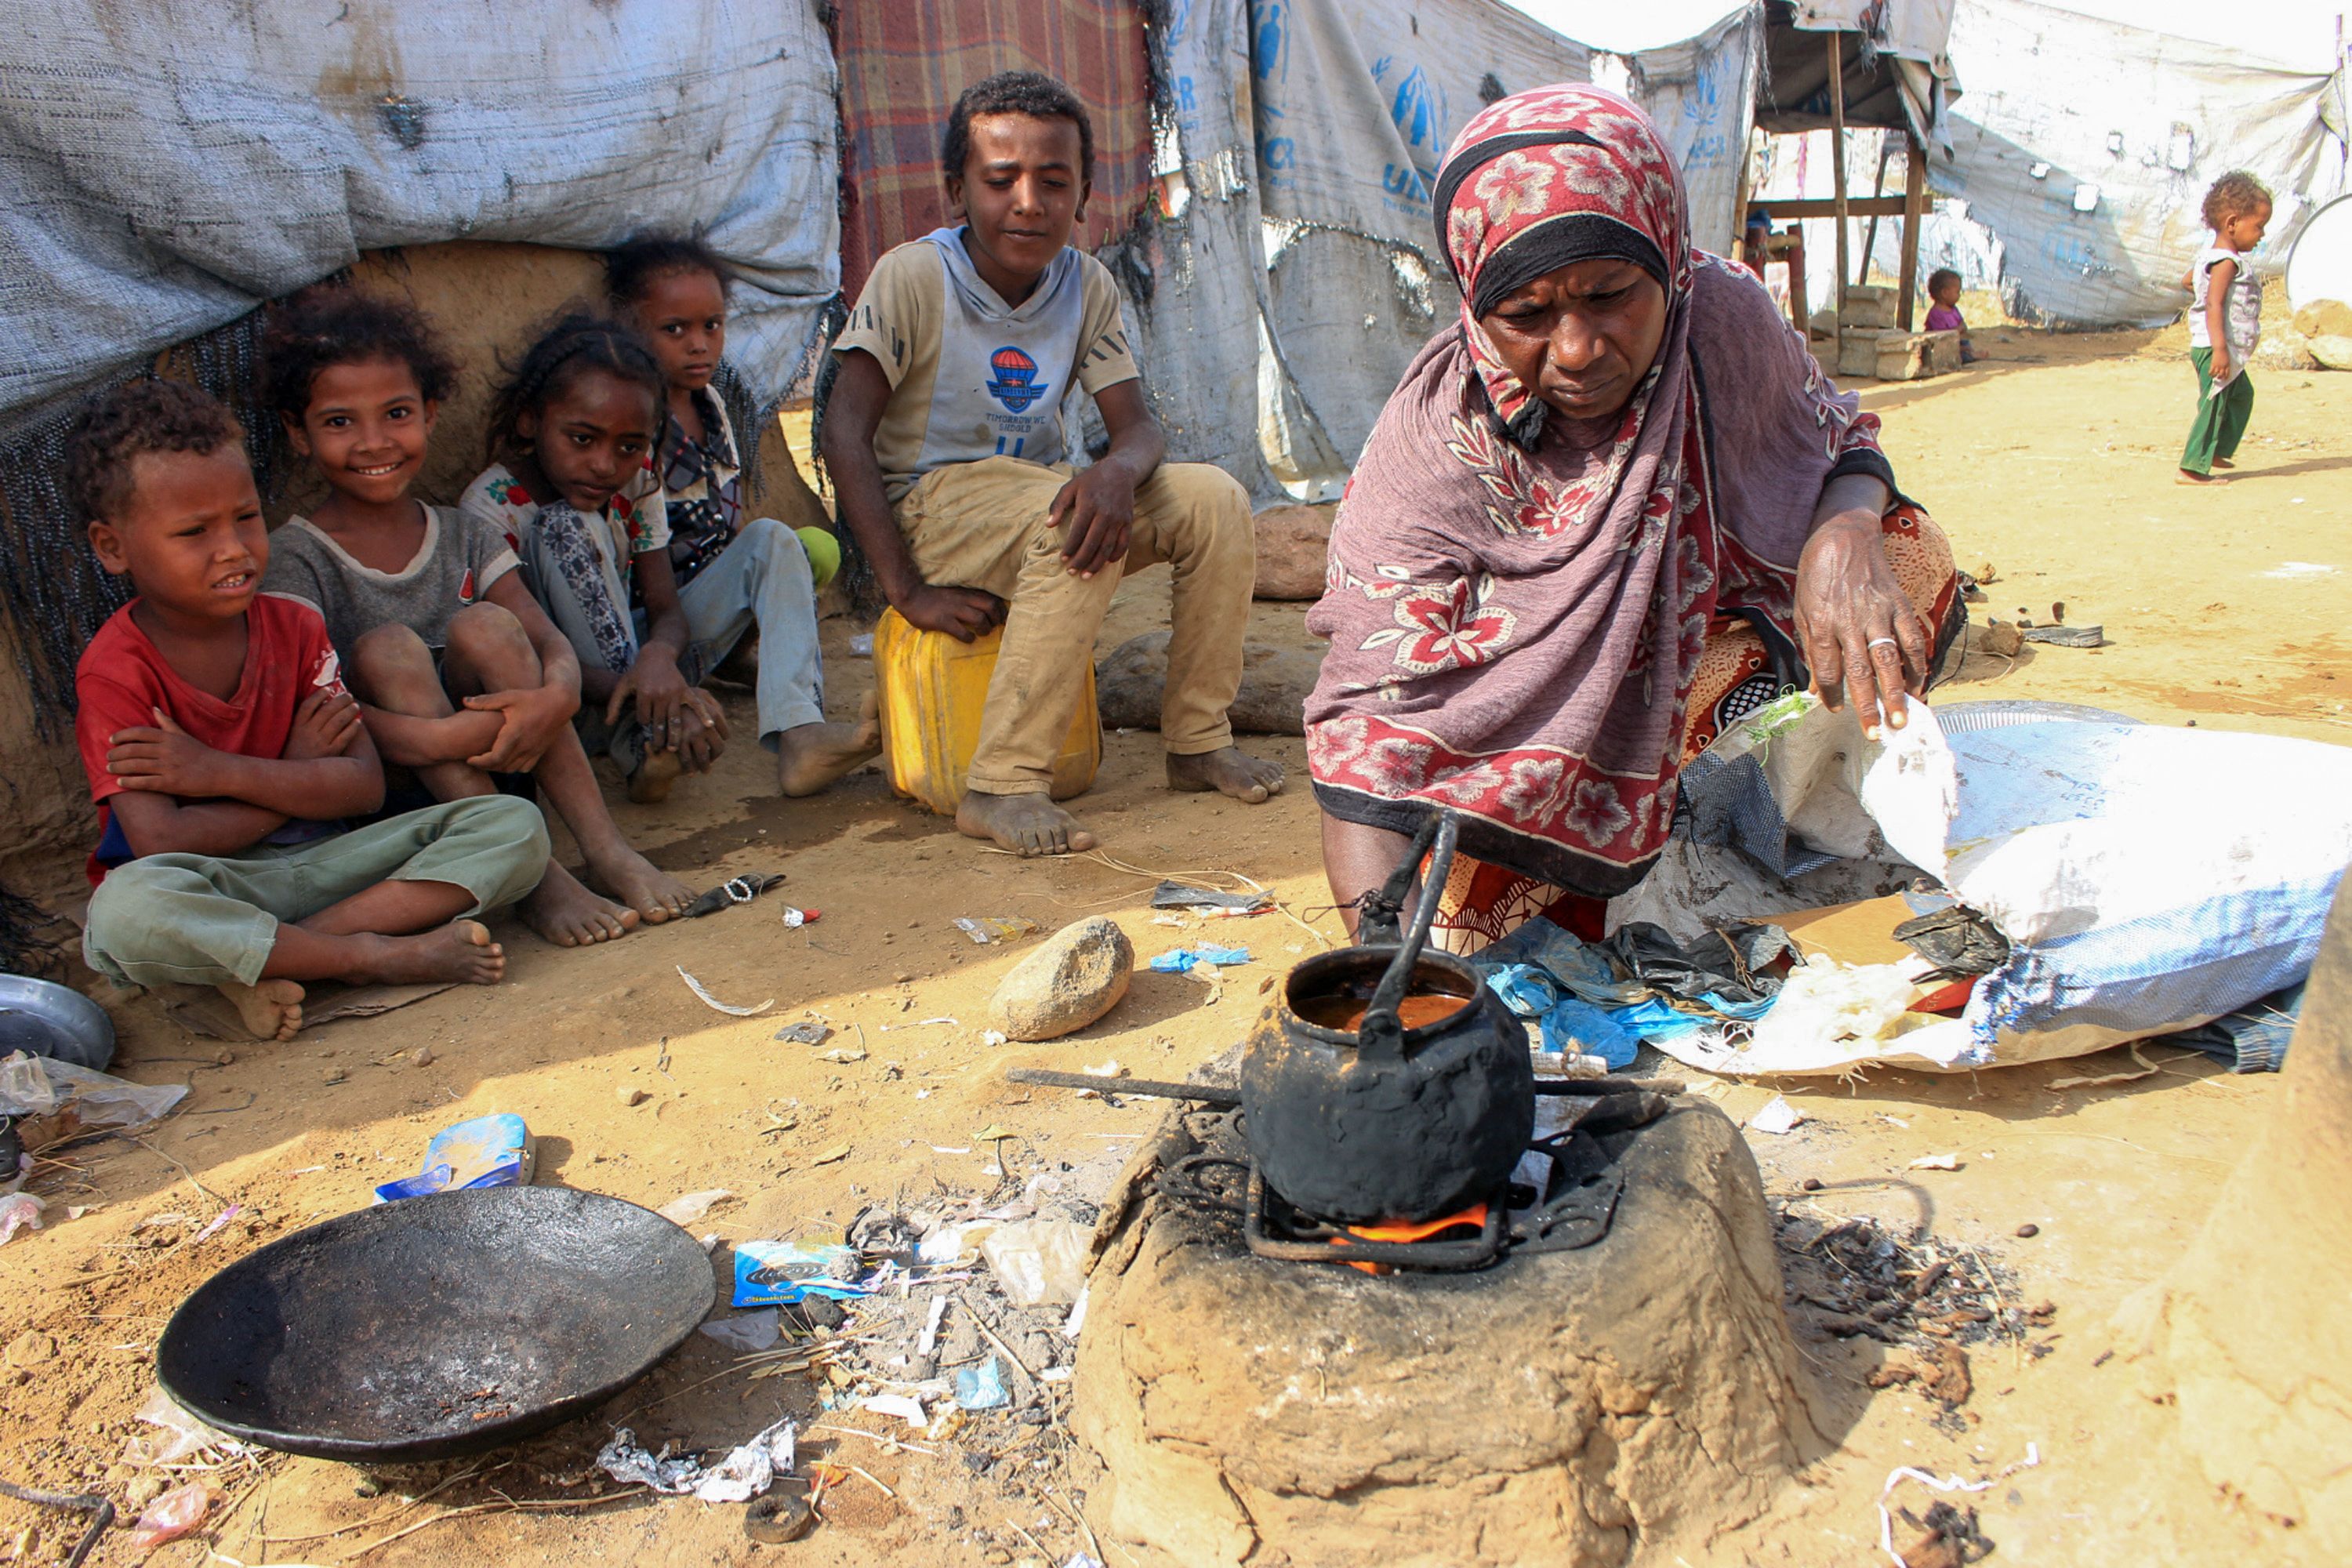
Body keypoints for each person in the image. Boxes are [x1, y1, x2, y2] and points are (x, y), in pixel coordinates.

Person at [1305, 85, 1964, 953]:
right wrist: (1383, 972)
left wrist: (1844, 531)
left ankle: (1745, 807)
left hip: (1713, 649)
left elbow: (1835, 439)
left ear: (1668, 263)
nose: (1576, 350)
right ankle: (1633, 854)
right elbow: (1363, 722)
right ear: (1473, 302)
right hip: (1536, 730)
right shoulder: (1437, 438)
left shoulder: (1720, 318)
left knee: (1904, 558)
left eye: (1611, 294)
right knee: (1461, 918)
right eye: (1528, 316)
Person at [821, 69, 1284, 858]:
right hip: (930, 503)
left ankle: (1197, 739)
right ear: (958, 190)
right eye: (1001, 179)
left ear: (1085, 192)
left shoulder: (1087, 284)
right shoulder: (914, 275)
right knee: (1069, 522)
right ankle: (1001, 782)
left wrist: (1115, 469)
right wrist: (906, 590)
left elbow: (1136, 427)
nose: (1028, 200)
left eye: (1053, 181)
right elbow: (842, 434)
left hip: (1035, 498)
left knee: (1212, 498)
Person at [70, 379, 549, 1041]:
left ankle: (264, 961)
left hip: (331, 865)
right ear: (113, 547)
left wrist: (212, 773)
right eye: (193, 532)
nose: (233, 548)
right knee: (128, 910)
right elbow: (161, 843)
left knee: (513, 825)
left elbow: (362, 783)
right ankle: (369, 955)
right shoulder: (115, 671)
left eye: (244, 517)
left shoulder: (293, 628)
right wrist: (294, 776)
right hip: (214, 887)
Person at [259, 289, 691, 946]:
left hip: (505, 749)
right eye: (341, 422)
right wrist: (441, 740)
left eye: (397, 413)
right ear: (299, 432)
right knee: (387, 649)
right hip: (394, 785)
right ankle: (536, 877)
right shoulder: (295, 557)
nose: (375, 442)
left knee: (488, 626)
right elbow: (315, 708)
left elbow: (546, 638)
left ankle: (608, 852)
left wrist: (558, 693)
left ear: (431, 415)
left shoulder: (464, 532)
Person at [607, 232, 880, 797]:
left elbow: (727, 524)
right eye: (674, 330)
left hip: (704, 610)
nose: (699, 345)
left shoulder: (714, 408)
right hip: (650, 630)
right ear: (631, 328)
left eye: (712, 325)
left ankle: (757, 675)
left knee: (809, 548)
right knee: (773, 544)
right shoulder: (633, 423)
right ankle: (798, 731)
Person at [459, 314, 730, 840]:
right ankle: (645, 738)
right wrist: (660, 695)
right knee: (567, 522)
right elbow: (519, 651)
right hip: (554, 691)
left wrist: (657, 661)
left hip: (625, 666)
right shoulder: (487, 509)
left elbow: (665, 606)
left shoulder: (639, 478)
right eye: (582, 439)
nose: (605, 464)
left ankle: (656, 724)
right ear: (529, 421)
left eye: (629, 446)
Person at [2179, 171, 2271, 487]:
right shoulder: (2228, 262)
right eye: (2258, 226)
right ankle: (2192, 468)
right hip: (2216, 347)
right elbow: (2216, 304)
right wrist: (2219, 348)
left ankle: (2217, 450)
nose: (2262, 234)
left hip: (2220, 347)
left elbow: (2188, 279)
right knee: (2214, 403)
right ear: (2233, 224)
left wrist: (2202, 288)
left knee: (2242, 395)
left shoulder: (2212, 257)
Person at [1923, 268, 1976, 364]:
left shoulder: (1953, 309)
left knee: (1966, 342)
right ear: (1945, 293)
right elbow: (1942, 337)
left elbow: (1961, 322)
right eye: (1957, 292)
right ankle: (1968, 355)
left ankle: (1969, 353)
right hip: (1941, 346)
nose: (1959, 296)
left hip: (1955, 342)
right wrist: (1958, 330)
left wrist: (1962, 328)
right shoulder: (1936, 314)